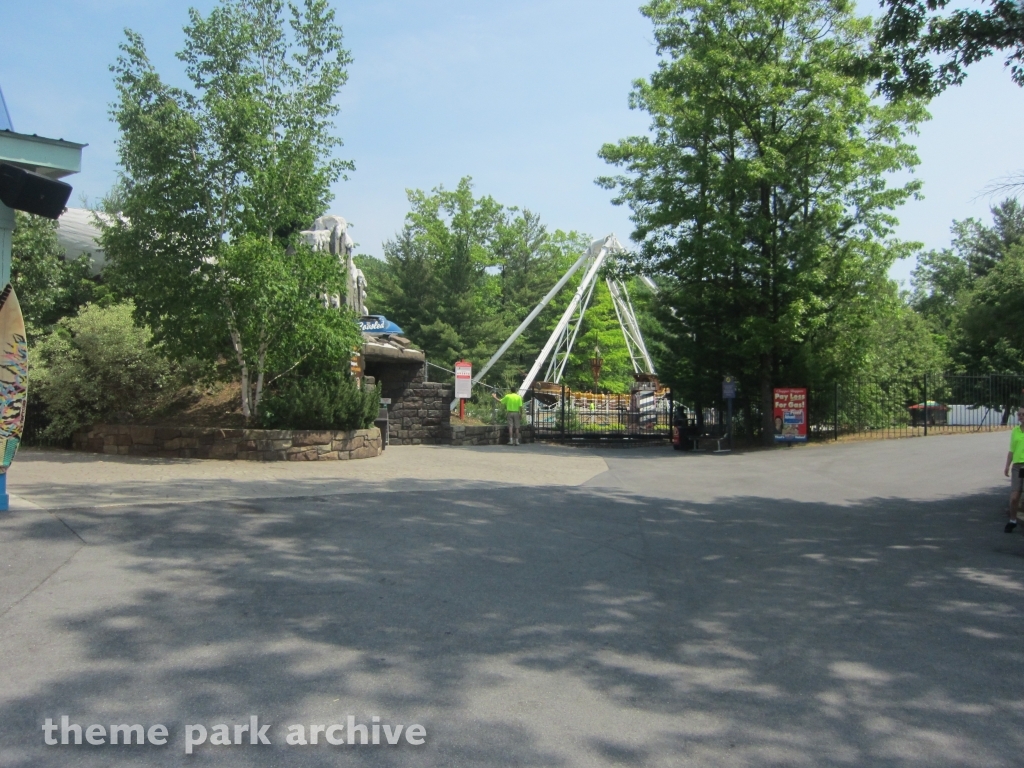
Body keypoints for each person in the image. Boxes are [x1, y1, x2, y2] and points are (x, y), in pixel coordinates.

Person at [1003, 406, 1024, 532]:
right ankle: (1013, 520)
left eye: (1022, 414)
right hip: (1017, 466)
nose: (1020, 416)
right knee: (1015, 496)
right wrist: (1007, 465)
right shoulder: (1015, 431)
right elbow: (1011, 450)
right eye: (1019, 414)